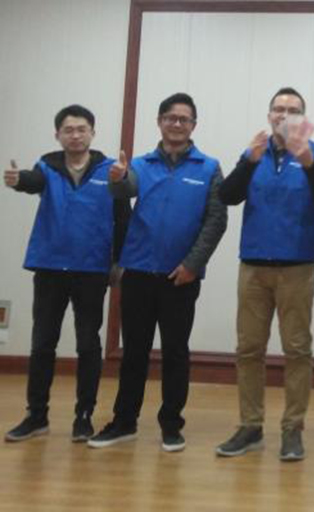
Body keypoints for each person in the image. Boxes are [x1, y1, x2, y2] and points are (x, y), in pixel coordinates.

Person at [88, 93, 227, 452]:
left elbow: (216, 221)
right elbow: (125, 188)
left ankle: (171, 425)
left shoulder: (209, 167)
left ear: (193, 125)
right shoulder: (139, 164)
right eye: (170, 118)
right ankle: (124, 422)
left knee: (176, 353)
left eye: (184, 119)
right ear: (160, 122)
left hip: (180, 276)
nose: (176, 124)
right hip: (137, 271)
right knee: (134, 352)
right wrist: (117, 179)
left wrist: (192, 265)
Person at [215, 88, 314, 460]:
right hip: (253, 266)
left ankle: (292, 430)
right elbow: (227, 196)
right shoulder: (253, 151)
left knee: (297, 350)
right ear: (269, 115)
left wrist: (310, 164)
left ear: (303, 117)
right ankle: (250, 426)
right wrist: (248, 162)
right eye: (278, 109)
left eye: (293, 110)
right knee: (248, 350)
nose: (285, 115)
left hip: (297, 267)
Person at [3, 105, 129, 443]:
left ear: (92, 133)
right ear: (57, 135)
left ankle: (83, 416)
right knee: (43, 343)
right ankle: (36, 416)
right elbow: (32, 181)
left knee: (88, 344)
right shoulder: (47, 167)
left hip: (91, 269)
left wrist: (118, 262)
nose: (75, 135)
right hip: (50, 266)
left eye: (81, 129)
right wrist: (18, 181)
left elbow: (123, 217)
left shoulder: (109, 170)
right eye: (68, 130)